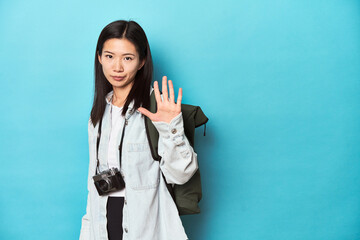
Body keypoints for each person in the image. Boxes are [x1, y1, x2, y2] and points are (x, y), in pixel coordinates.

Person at [79, 20, 198, 240]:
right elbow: (92, 186)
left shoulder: (157, 109)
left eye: (127, 58)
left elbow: (181, 175)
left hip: (144, 224)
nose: (117, 67)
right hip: (102, 221)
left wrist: (170, 127)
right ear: (99, 57)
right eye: (109, 56)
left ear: (142, 61)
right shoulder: (96, 116)